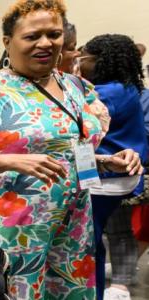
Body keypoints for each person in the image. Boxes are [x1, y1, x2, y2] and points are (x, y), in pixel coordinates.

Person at [0, 1, 141, 298]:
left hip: (74, 229)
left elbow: (66, 151)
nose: (45, 43)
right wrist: (10, 161)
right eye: (32, 36)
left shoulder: (75, 87)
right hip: (13, 233)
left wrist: (107, 161)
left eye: (53, 34)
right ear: (8, 42)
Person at [79, 33, 148, 300]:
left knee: (89, 242)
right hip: (116, 178)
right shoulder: (127, 87)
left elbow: (80, 125)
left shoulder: (106, 93)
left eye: (83, 58)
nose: (79, 63)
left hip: (107, 176)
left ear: (100, 61)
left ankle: (92, 292)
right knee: (108, 236)